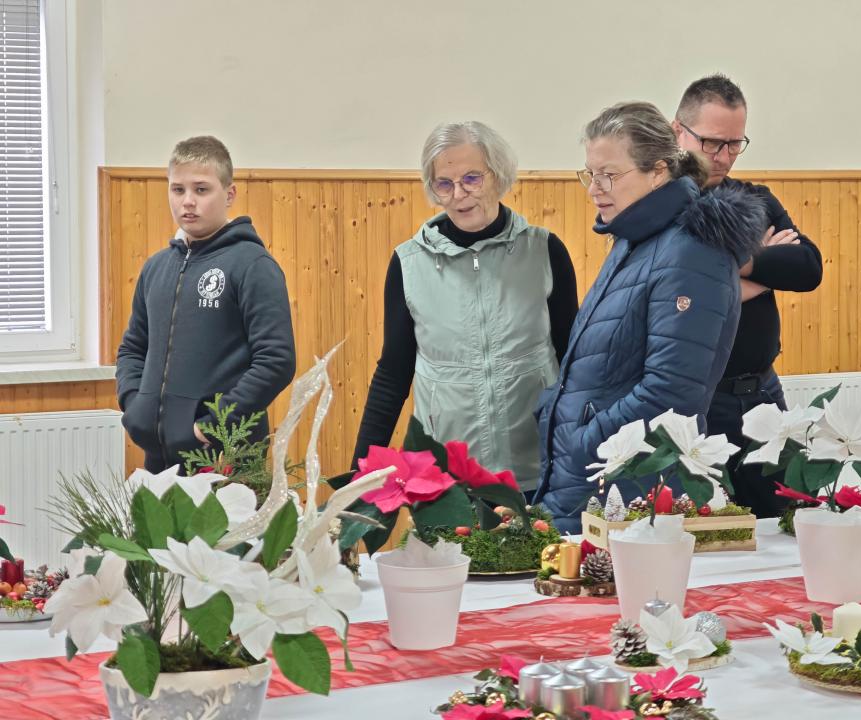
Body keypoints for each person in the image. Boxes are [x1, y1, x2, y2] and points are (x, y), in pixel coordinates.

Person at [534, 101, 767, 533]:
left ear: (657, 172)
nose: (594, 188)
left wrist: (583, 439)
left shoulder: (690, 250)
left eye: (609, 175)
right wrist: (554, 413)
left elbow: (672, 392)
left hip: (633, 485)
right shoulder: (634, 239)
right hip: (594, 474)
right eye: (589, 174)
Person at [351, 121, 578, 493]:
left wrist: (579, 454)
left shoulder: (543, 251)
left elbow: (573, 359)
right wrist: (357, 477)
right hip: (444, 481)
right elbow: (393, 373)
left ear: (497, 175)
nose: (459, 194)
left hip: (535, 470)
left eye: (472, 178)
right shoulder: (409, 264)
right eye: (444, 183)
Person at [673, 74, 823, 518]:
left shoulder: (754, 198)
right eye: (711, 142)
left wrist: (730, 265)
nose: (723, 157)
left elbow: (808, 267)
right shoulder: (660, 207)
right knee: (709, 530)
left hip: (763, 393)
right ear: (678, 131)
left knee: (791, 520)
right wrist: (762, 260)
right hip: (698, 400)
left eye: (735, 144)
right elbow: (677, 300)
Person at [116, 136, 296, 473]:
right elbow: (133, 348)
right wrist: (135, 405)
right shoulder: (156, 268)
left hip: (226, 454)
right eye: (178, 189)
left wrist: (210, 428)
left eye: (201, 189)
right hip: (160, 454)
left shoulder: (252, 265)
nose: (188, 201)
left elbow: (276, 361)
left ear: (229, 194)